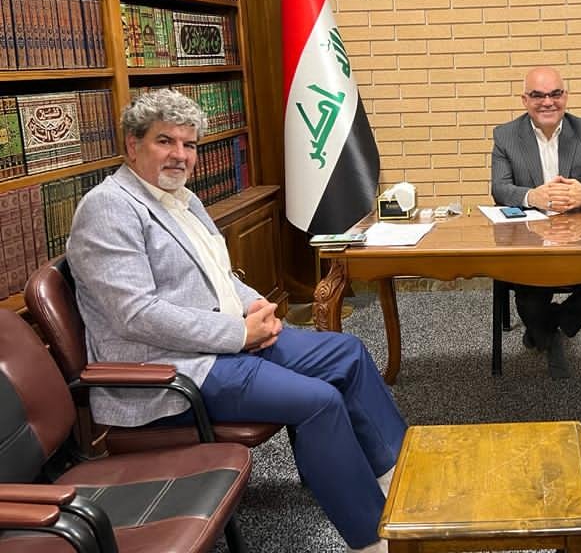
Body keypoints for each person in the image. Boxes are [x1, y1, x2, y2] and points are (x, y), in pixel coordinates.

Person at [66, 89, 405, 553]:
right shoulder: (108, 208)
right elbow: (136, 315)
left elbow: (219, 275)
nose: (180, 155)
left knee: (347, 353)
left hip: (223, 340)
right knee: (318, 401)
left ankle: (394, 477)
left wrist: (256, 306)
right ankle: (371, 539)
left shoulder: (182, 198)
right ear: (132, 145)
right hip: (171, 369)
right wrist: (239, 333)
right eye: (165, 141)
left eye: (189, 145)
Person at [491, 65, 581, 378]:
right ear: (525, 100)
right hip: (531, 238)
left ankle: (548, 329)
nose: (547, 102)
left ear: (565, 96)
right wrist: (533, 196)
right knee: (529, 299)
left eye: (555, 94)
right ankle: (550, 332)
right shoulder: (505, 135)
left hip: (580, 236)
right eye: (538, 95)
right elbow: (500, 188)